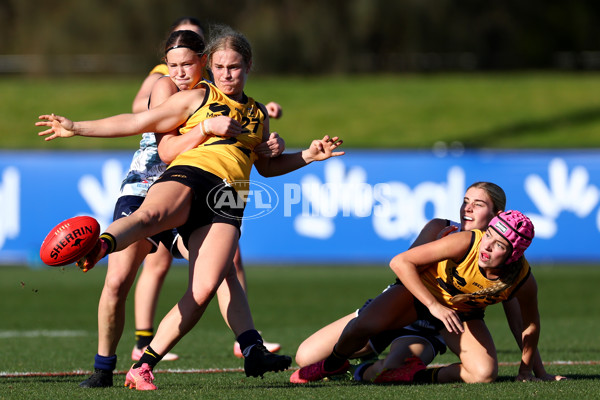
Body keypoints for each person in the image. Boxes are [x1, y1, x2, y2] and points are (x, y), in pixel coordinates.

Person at [37, 24, 345, 391]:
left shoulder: (257, 114)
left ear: (248, 66)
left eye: (234, 67)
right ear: (210, 68)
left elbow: (267, 166)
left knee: (204, 288)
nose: (227, 74)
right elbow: (139, 122)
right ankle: (100, 247)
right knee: (149, 217)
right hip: (190, 175)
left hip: (231, 198)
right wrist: (77, 127)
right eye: (221, 68)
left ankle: (145, 365)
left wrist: (308, 156)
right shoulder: (197, 97)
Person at [293, 182, 565, 383]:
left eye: (477, 204)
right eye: (465, 200)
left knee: (480, 373)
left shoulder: (516, 274)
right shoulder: (447, 232)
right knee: (306, 357)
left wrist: (532, 370)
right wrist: (433, 304)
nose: (467, 208)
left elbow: (524, 324)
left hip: (444, 323)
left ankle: (375, 370)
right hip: (410, 305)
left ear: (497, 216)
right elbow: (401, 267)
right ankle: (337, 363)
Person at [129, 16, 282, 363]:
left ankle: (248, 343)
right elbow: (142, 117)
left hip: (215, 181)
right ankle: (141, 341)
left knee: (222, 264)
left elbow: (248, 129)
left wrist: (270, 131)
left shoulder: (216, 88)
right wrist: (173, 106)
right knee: (151, 259)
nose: (185, 66)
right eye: (177, 60)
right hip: (164, 174)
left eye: (194, 56)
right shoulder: (171, 81)